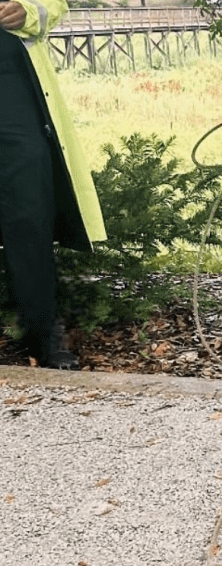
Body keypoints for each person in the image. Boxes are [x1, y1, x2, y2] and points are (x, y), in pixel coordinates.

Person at [0, 0, 105, 369]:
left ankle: (44, 337)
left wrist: (28, 11)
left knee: (29, 213)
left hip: (11, 86)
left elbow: (54, 4)